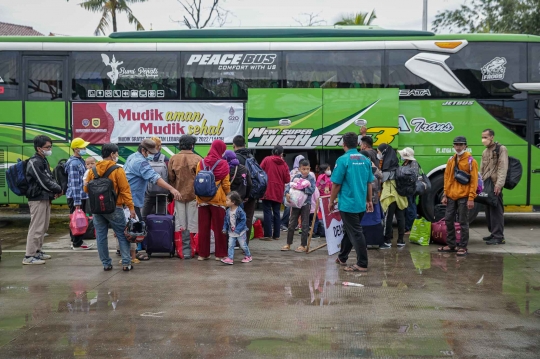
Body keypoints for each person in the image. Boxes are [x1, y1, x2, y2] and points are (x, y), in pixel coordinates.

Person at [124, 139, 181, 260]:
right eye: (149, 152)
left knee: (129, 227)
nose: (152, 155)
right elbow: (154, 178)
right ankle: (129, 257)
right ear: (143, 150)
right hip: (132, 199)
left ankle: (130, 254)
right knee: (133, 229)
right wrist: (172, 189)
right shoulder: (141, 162)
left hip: (127, 197)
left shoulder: (132, 157)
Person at [84, 143, 136, 271]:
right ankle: (126, 263)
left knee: (101, 236)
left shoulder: (93, 170)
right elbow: (125, 190)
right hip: (115, 207)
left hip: (97, 209)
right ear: (112, 154)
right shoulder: (117, 170)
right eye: (117, 153)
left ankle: (106, 264)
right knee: (121, 234)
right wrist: (131, 207)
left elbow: (87, 189)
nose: (117, 156)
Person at [330, 132, 374, 272]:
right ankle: (342, 257)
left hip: (348, 204)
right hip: (360, 204)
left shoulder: (343, 160)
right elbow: (369, 183)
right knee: (350, 231)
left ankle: (362, 263)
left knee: (355, 232)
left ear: (344, 144)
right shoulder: (365, 159)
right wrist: (369, 200)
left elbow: (336, 184)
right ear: (357, 143)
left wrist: (331, 201)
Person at [22, 135, 63, 265]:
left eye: (50, 146)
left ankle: (38, 251)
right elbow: (43, 181)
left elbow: (50, 178)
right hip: (37, 198)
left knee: (43, 226)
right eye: (47, 147)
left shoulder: (43, 160)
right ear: (39, 148)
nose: (50, 149)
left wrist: (55, 191)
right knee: (36, 227)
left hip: (44, 197)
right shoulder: (34, 162)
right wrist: (57, 189)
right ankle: (29, 256)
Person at [438, 136, 478, 257]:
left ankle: (463, 246)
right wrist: (445, 194)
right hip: (451, 196)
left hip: (464, 196)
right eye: (456, 144)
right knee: (449, 219)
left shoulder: (471, 161)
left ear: (465, 146)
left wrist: (471, 198)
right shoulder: (451, 160)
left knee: (463, 221)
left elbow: (474, 181)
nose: (458, 147)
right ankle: (451, 245)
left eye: (461, 145)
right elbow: (447, 178)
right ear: (453, 146)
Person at [196, 139, 231, 261]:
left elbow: (198, 180)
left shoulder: (201, 163)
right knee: (219, 228)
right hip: (217, 200)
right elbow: (226, 184)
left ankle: (203, 254)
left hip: (202, 199)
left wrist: (198, 198)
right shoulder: (223, 164)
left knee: (203, 228)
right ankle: (220, 254)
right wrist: (227, 197)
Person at [168, 135, 202, 257]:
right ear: (192, 145)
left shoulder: (173, 158)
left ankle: (182, 251)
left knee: (180, 223)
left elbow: (170, 178)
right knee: (193, 223)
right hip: (194, 195)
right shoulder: (198, 159)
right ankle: (193, 250)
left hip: (178, 195)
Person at [65, 137, 94, 250]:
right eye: (83, 147)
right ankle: (77, 243)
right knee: (78, 220)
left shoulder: (80, 160)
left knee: (77, 219)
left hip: (80, 195)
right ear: (76, 149)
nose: (85, 148)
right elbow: (75, 184)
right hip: (76, 196)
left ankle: (77, 241)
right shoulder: (73, 164)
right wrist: (77, 202)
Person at [480, 129, 508, 245]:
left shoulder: (501, 149)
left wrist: (499, 185)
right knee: (488, 210)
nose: (483, 140)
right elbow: (482, 169)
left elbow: (503, 167)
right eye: (482, 137)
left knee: (496, 211)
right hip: (487, 184)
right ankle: (493, 233)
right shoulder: (485, 152)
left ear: (492, 137)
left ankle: (499, 237)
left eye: (486, 137)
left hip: (495, 185)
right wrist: (480, 184)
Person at [282, 159, 316, 252]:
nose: (305, 171)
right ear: (299, 169)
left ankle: (303, 245)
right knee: (292, 223)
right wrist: (287, 193)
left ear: (310, 169)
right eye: (303, 169)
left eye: (307, 169)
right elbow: (289, 186)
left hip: (306, 204)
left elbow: (312, 190)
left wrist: (302, 188)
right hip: (295, 203)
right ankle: (288, 244)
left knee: (305, 224)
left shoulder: (311, 179)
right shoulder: (296, 177)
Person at [379, 143, 408, 249]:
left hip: (390, 196)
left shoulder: (387, 167)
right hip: (400, 196)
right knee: (401, 218)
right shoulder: (398, 166)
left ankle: (387, 241)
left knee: (388, 218)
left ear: (384, 152)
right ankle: (401, 240)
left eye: (379, 152)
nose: (378, 154)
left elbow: (382, 179)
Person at [260, 145, 290, 240]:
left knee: (267, 211)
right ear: (281, 154)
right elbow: (287, 179)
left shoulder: (267, 159)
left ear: (273, 151)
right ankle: (276, 235)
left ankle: (268, 234)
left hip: (267, 189)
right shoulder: (284, 164)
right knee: (276, 212)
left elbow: (260, 171)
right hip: (278, 191)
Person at [233, 135, 257, 239]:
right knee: (248, 218)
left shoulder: (234, 158)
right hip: (251, 193)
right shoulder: (252, 157)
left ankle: (236, 241)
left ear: (234, 145)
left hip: (238, 194)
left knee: (235, 217)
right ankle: (245, 243)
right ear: (245, 144)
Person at [141, 136, 170, 219]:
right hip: (162, 191)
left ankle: (144, 231)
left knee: (144, 216)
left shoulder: (144, 158)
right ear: (159, 147)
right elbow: (169, 175)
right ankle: (159, 231)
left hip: (147, 192)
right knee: (161, 216)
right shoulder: (165, 159)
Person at [221, 191, 252, 265]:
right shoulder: (228, 211)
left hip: (240, 232)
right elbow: (225, 220)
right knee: (230, 244)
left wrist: (237, 229)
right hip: (231, 231)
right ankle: (230, 258)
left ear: (233, 202)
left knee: (243, 245)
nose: (226, 202)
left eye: (227, 200)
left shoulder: (240, 211)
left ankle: (248, 256)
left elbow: (243, 220)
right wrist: (224, 228)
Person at [398, 147, 420, 233]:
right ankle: (407, 227)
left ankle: (410, 228)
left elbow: (413, 175)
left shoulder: (413, 163)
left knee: (411, 208)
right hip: (405, 189)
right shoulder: (406, 162)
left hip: (410, 189)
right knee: (407, 208)